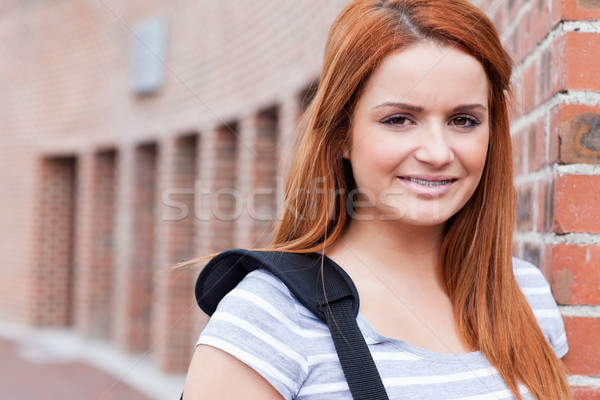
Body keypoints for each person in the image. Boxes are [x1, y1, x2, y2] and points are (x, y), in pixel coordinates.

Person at [183, 0, 572, 398]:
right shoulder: (271, 317)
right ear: (341, 136)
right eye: (399, 120)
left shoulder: (526, 295)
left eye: (463, 120)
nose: (437, 153)